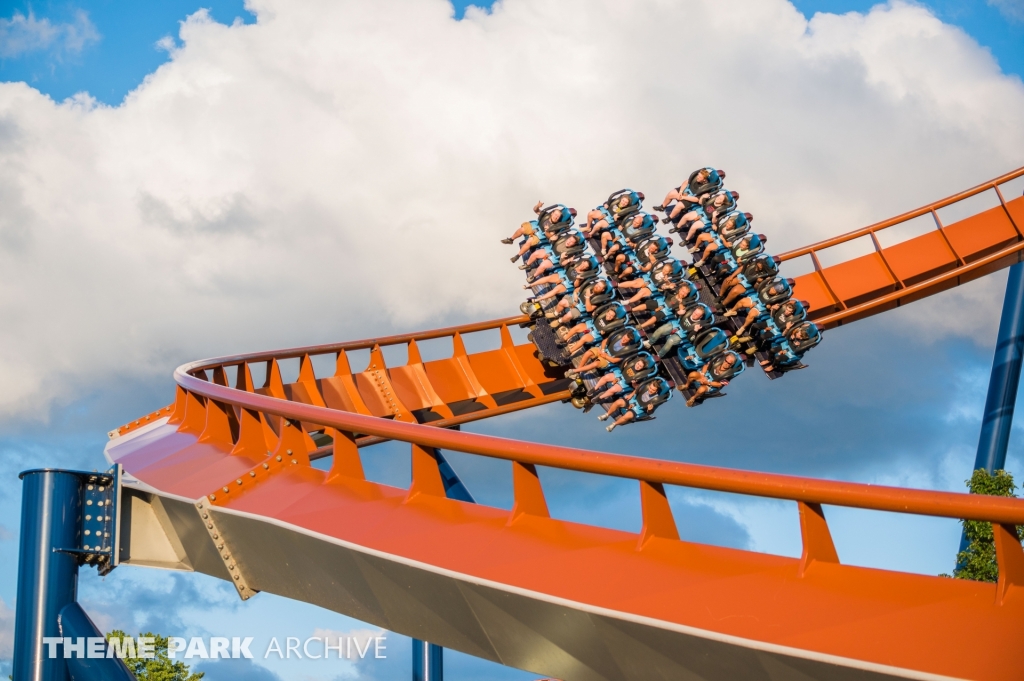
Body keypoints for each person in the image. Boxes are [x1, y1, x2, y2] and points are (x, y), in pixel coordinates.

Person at [598, 379, 670, 431]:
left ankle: (614, 424)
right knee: (618, 402)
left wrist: (649, 409)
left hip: (639, 408)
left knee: (628, 415)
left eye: (653, 390)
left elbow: (650, 412)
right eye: (650, 388)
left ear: (656, 391)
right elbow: (637, 389)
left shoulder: (656, 399)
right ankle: (606, 415)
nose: (650, 390)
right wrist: (631, 395)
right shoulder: (645, 388)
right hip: (634, 401)